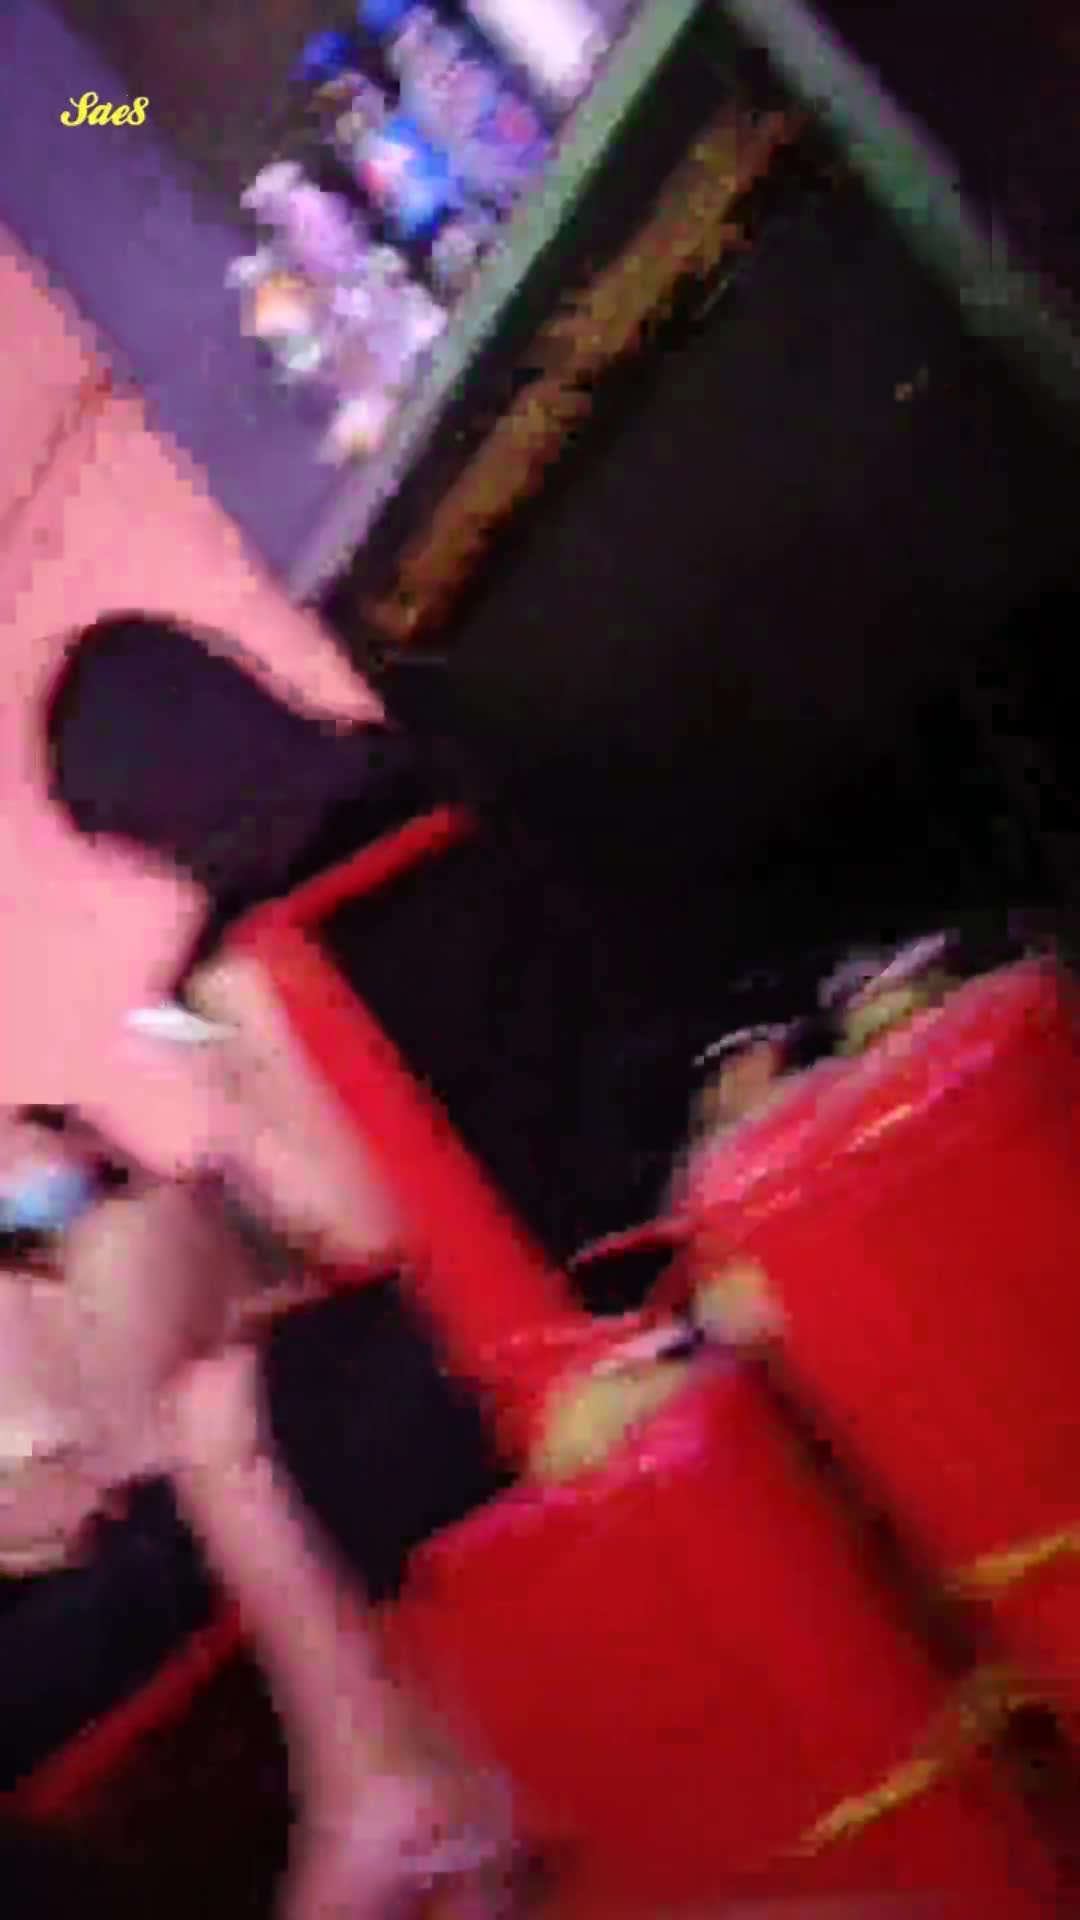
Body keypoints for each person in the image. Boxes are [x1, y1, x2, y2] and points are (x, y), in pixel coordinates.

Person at [42, 612, 693, 1916]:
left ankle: (384, 1779)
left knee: (219, 1416)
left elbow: (360, 1223)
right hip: (657, 1195)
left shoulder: (242, 962)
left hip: (528, 1314)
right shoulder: (437, 776)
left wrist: (229, 1094)